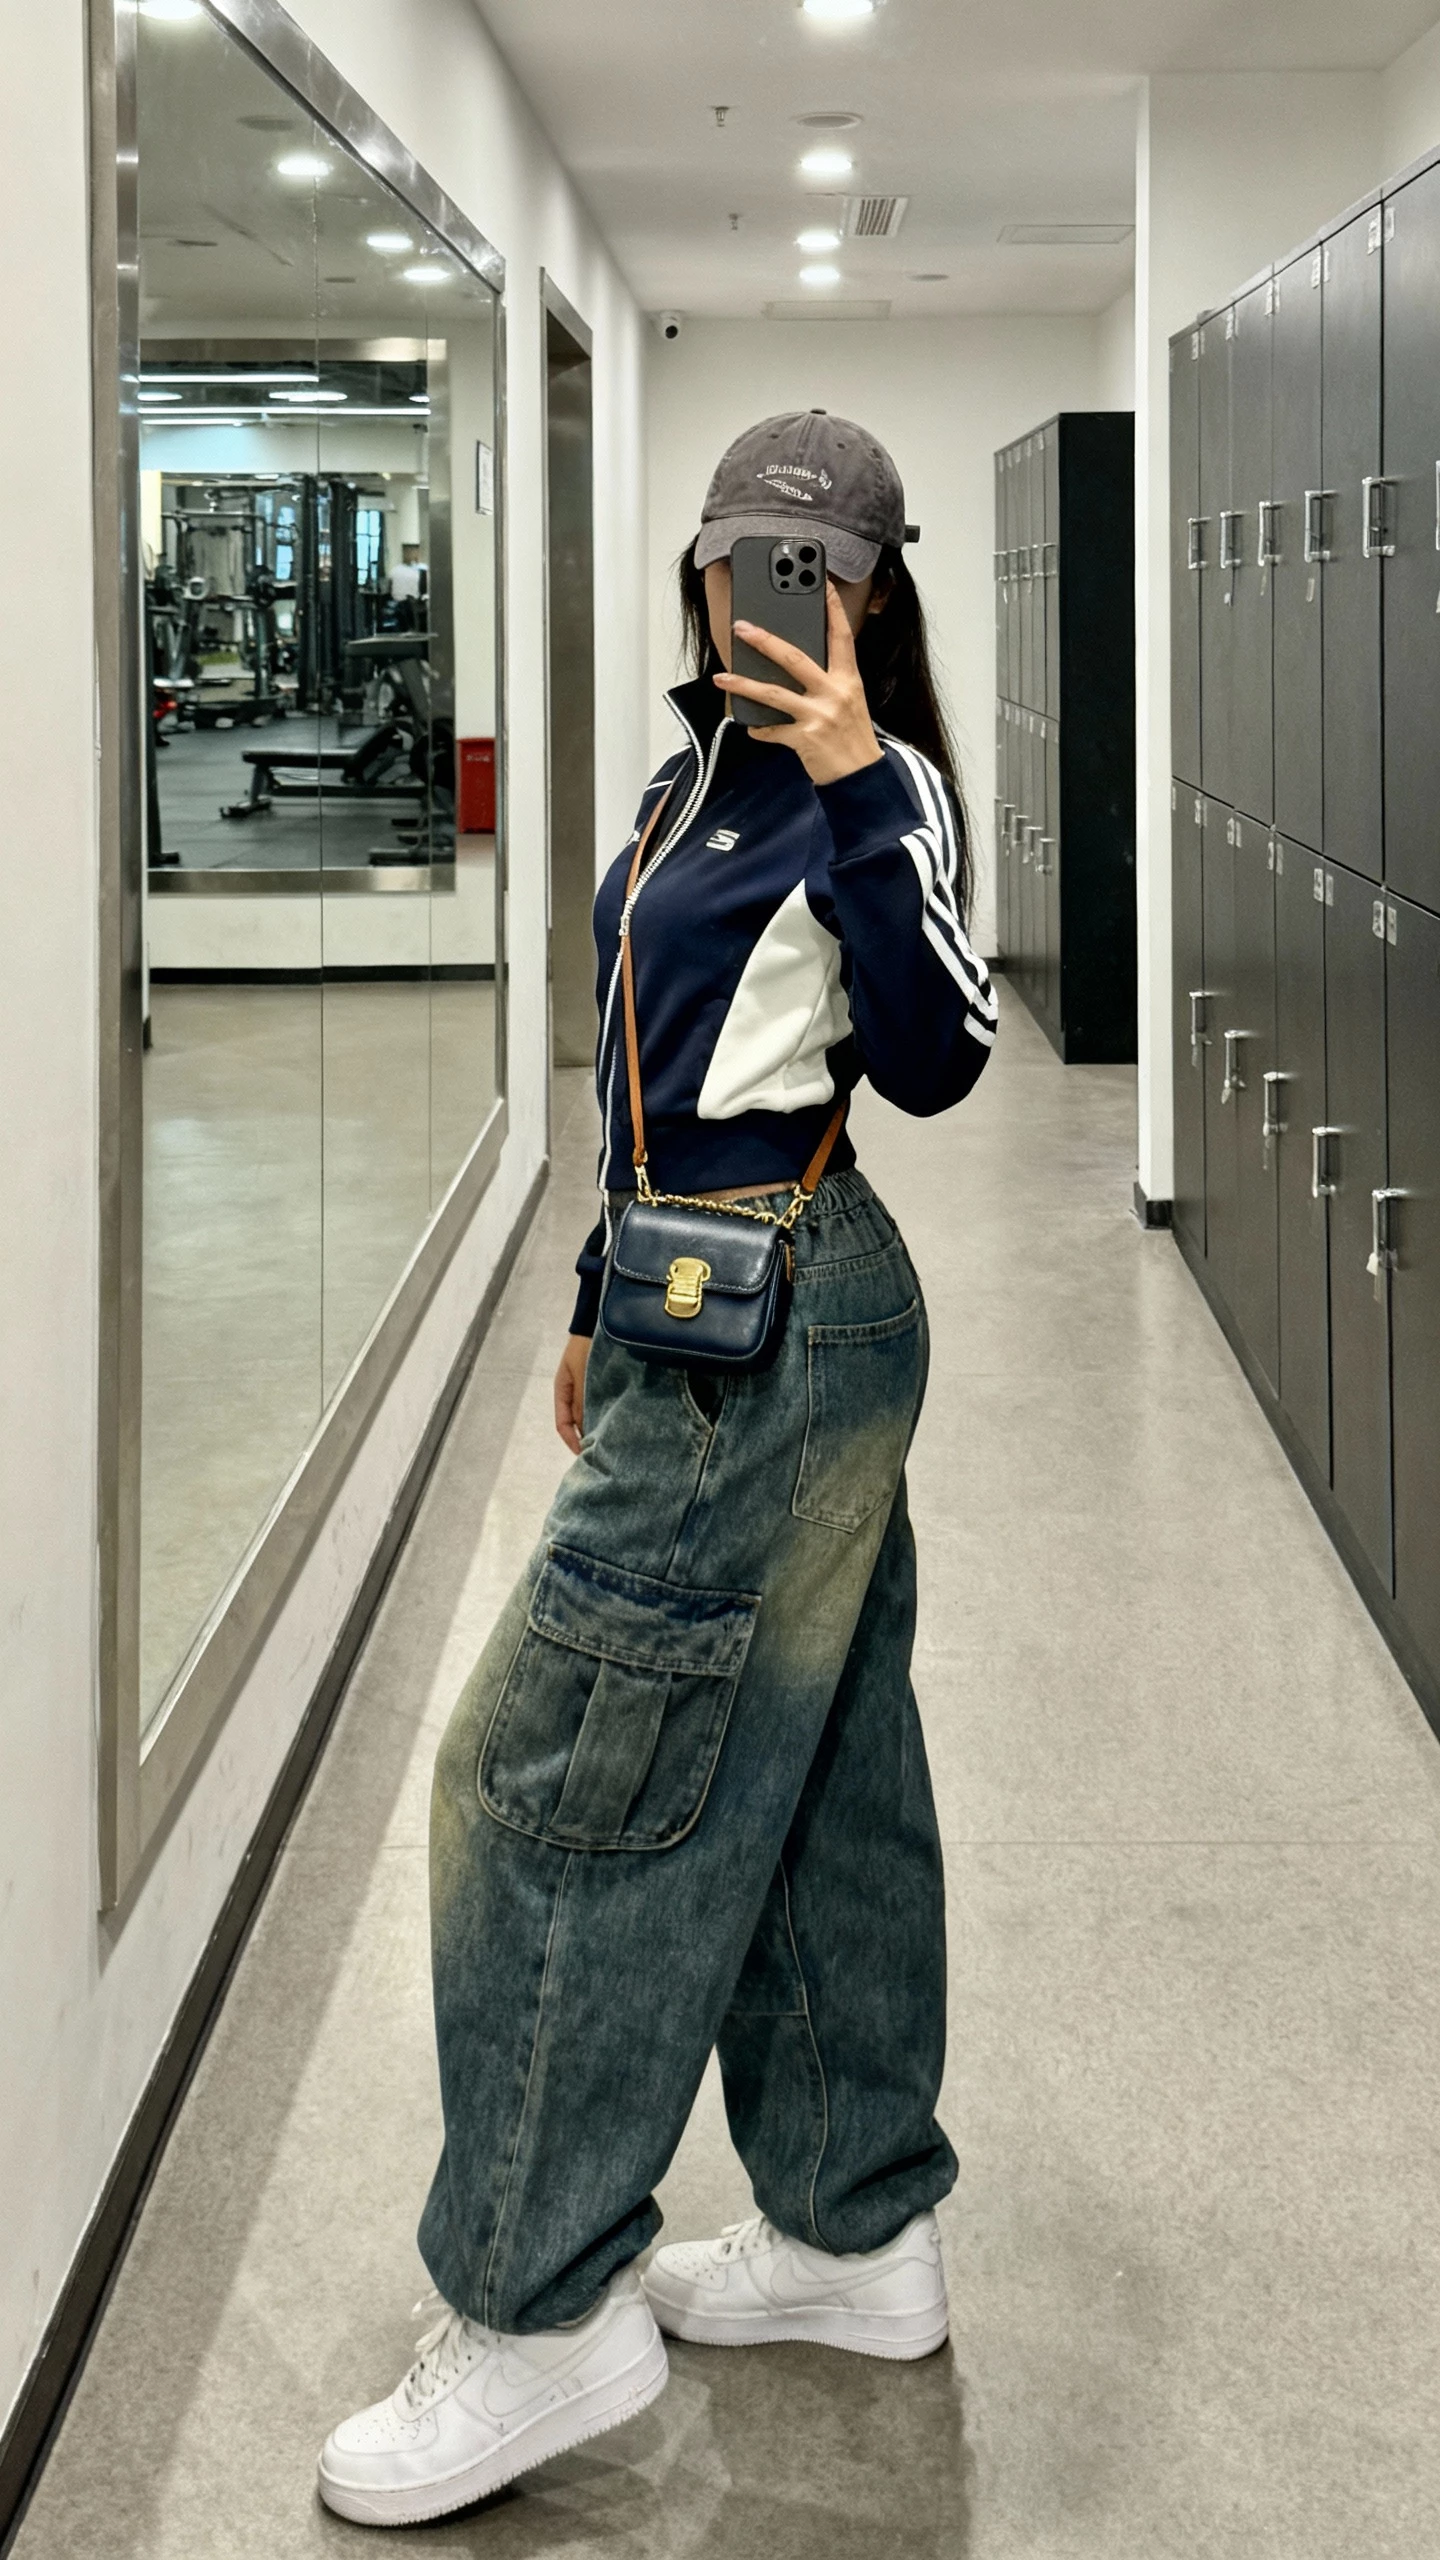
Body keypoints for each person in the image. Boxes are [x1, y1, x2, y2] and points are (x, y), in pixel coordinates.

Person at [318, 409, 998, 2529]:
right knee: (810, 1770)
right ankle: (851, 2224)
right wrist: (601, 1294)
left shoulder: (878, 797)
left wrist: (862, 789)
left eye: (817, 569)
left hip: (796, 1313)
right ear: (703, 569)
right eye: (741, 560)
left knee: (544, 1784)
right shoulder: (676, 779)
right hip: (695, 1308)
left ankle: (537, 2313)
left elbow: (944, 1053)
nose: (766, 599)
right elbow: (638, 1072)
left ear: (872, 594)